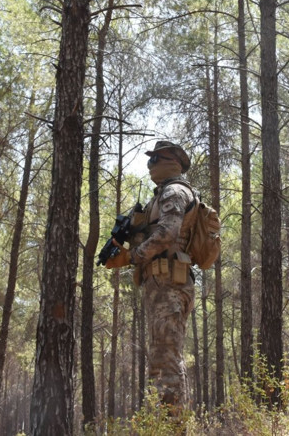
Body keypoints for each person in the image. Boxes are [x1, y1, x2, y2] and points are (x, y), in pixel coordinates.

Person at [104, 140, 196, 410]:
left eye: (155, 159)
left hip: (169, 281)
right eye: (150, 160)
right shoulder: (161, 195)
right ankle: (168, 424)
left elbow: (167, 234)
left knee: (165, 361)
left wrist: (132, 257)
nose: (150, 165)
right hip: (164, 282)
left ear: (171, 162)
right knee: (163, 359)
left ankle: (173, 428)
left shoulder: (174, 191)